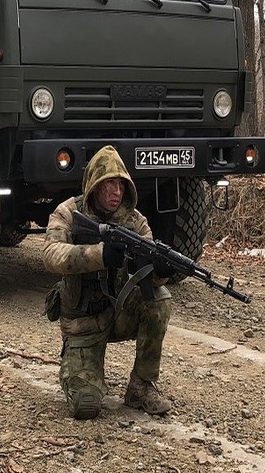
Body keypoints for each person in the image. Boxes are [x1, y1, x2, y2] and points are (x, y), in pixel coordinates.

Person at [42, 145, 175, 420]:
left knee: (160, 297)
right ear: (95, 185)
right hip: (82, 324)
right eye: (110, 184)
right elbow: (51, 255)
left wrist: (161, 270)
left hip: (117, 313)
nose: (117, 192)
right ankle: (80, 371)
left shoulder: (135, 222)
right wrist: (99, 255)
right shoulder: (68, 212)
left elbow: (151, 274)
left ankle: (141, 386)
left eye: (122, 185)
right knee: (87, 406)